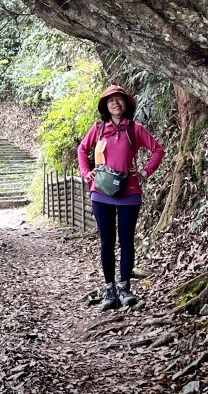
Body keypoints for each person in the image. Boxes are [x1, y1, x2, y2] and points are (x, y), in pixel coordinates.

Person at [77, 84, 165, 310]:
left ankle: (124, 288)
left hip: (129, 192)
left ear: (125, 104)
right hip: (101, 193)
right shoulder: (98, 129)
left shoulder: (134, 128)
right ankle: (109, 290)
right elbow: (82, 150)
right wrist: (87, 174)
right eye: (110, 100)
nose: (115, 103)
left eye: (119, 99)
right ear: (105, 106)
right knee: (107, 241)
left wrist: (145, 172)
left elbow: (158, 150)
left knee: (126, 241)